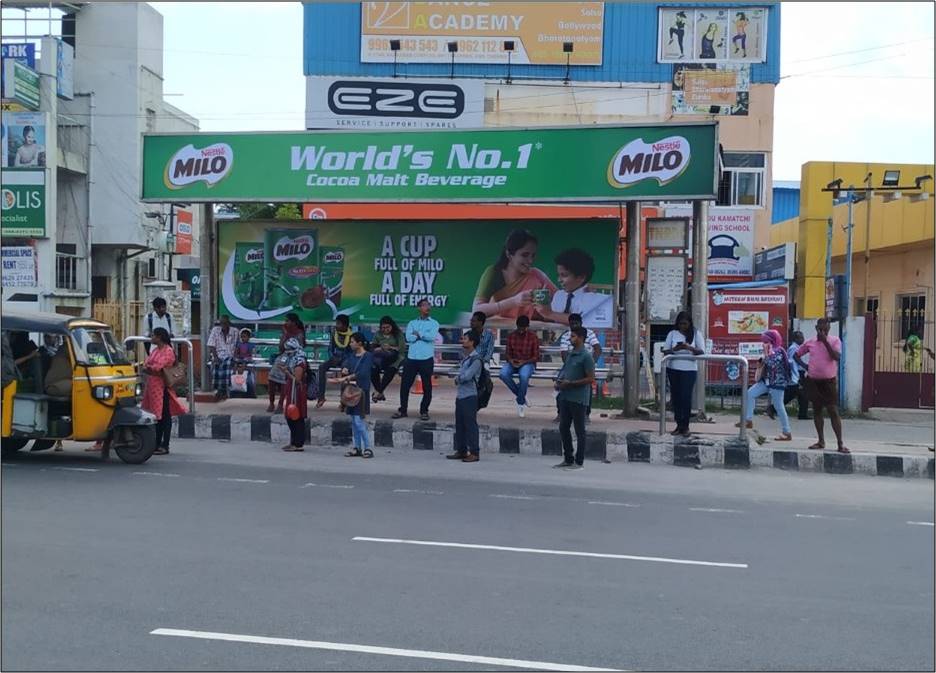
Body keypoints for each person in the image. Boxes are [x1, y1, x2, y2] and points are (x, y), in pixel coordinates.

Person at [473, 229, 557, 322]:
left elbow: (561, 300)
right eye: (525, 255)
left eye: (533, 255)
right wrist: (514, 301)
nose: (530, 261)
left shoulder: (536, 275)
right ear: (509, 254)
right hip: (498, 330)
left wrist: (547, 306)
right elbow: (476, 311)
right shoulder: (493, 272)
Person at [794, 318, 848, 453]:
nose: (823, 329)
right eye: (820, 327)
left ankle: (840, 443)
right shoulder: (810, 342)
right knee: (817, 411)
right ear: (816, 327)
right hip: (814, 381)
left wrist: (825, 341)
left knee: (833, 411)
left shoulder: (835, 341)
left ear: (829, 328)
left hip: (828, 382)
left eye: (825, 326)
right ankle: (821, 440)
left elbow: (836, 357)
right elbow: (796, 355)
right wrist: (806, 366)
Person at [141, 327, 187, 455]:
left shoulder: (168, 351)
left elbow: (157, 367)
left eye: (153, 335)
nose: (151, 338)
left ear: (159, 337)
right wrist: (148, 367)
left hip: (163, 387)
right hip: (153, 387)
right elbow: (148, 364)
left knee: (164, 417)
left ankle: (164, 445)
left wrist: (148, 367)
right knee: (157, 416)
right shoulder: (156, 350)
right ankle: (156, 444)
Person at [554, 327, 595, 470]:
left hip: (578, 398)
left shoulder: (586, 356)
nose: (571, 339)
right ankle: (568, 458)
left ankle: (579, 461)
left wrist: (571, 383)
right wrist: (560, 382)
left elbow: (590, 378)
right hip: (565, 396)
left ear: (581, 338)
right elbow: (566, 371)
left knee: (579, 430)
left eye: (573, 336)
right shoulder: (571, 354)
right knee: (564, 427)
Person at [740, 330, 793, 441]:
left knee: (779, 406)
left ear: (772, 341)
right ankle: (748, 420)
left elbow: (773, 364)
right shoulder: (770, 350)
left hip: (777, 383)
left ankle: (787, 432)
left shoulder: (777, 351)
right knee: (750, 393)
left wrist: (766, 355)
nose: (763, 343)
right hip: (767, 381)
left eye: (766, 341)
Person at [393, 299, 440, 421]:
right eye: (424, 305)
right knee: (405, 385)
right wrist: (423, 335)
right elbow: (409, 338)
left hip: (426, 358)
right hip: (412, 358)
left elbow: (432, 337)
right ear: (419, 308)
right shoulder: (412, 323)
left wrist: (419, 334)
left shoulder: (434, 323)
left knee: (427, 386)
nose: (427, 307)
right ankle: (403, 410)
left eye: (429, 305)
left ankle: (424, 411)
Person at [330, 333, 374, 458]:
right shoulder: (351, 356)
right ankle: (357, 447)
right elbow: (346, 365)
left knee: (359, 421)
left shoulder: (368, 356)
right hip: (351, 392)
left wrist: (346, 377)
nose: (351, 344)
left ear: (359, 343)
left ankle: (368, 447)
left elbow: (363, 373)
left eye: (353, 342)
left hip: (361, 391)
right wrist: (344, 369)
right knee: (354, 422)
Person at [543, 248, 613, 328]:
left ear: (581, 277)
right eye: (558, 275)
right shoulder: (559, 295)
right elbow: (549, 319)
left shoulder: (593, 298)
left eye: (564, 275)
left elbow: (581, 320)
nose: (559, 280)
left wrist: (549, 313)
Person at [662, 310, 706, 436]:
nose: (683, 327)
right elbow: (665, 351)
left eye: (685, 324)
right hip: (674, 368)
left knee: (686, 397)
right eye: (680, 324)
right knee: (676, 398)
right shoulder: (672, 334)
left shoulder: (696, 334)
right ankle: (678, 424)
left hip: (689, 369)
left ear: (689, 323)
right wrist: (676, 349)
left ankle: (685, 425)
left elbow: (702, 351)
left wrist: (689, 348)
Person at [554, 314, 601, 422]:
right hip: (570, 364)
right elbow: (564, 354)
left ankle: (586, 414)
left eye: (576, 323)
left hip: (586, 364)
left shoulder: (589, 333)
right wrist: (571, 366)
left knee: (587, 386)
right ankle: (561, 412)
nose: (574, 326)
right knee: (560, 383)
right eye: (572, 324)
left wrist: (591, 363)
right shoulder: (566, 336)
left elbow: (597, 349)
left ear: (581, 323)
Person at [447, 330, 483, 463]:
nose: (463, 341)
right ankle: (461, 450)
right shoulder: (466, 358)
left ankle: (474, 452)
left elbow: (467, 376)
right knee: (460, 424)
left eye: (465, 339)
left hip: (470, 396)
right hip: (461, 395)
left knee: (470, 424)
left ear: (472, 342)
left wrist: (458, 378)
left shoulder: (476, 359)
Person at [499, 315, 540, 417]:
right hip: (514, 362)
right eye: (519, 327)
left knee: (524, 376)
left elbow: (536, 356)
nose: (521, 330)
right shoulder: (511, 336)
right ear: (516, 326)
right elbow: (507, 354)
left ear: (527, 326)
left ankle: (520, 403)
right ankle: (521, 395)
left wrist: (524, 362)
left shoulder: (533, 337)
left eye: (523, 328)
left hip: (528, 363)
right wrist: (511, 360)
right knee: (503, 374)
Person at [267, 313, 306, 413]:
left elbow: (298, 347)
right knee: (271, 378)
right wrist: (284, 335)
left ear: (293, 322)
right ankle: (271, 403)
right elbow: (281, 348)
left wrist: (287, 335)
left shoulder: (299, 333)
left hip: (295, 357)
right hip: (284, 356)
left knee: (286, 379)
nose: (286, 323)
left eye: (287, 321)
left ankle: (280, 405)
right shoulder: (285, 332)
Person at [316, 314, 353, 408]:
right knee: (321, 367)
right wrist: (332, 357)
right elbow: (330, 349)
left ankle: (343, 401)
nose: (336, 325)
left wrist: (344, 360)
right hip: (335, 358)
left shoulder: (351, 335)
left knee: (345, 371)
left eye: (338, 324)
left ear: (345, 326)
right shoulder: (334, 333)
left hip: (346, 359)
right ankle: (321, 397)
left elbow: (351, 352)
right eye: (336, 323)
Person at [772, 330, 809, 421]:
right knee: (795, 394)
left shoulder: (797, 347)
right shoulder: (793, 348)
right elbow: (794, 360)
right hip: (796, 374)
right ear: (795, 339)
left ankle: (802, 414)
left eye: (802, 337)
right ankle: (773, 408)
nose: (803, 339)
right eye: (800, 337)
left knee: (801, 394)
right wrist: (804, 366)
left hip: (798, 373)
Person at [280, 337, 308, 452]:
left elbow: (297, 380)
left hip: (296, 390)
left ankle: (298, 443)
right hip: (291, 389)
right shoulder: (292, 359)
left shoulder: (299, 361)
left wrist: (286, 372)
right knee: (290, 415)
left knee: (296, 415)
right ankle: (294, 441)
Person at [370, 316, 405, 403]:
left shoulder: (398, 334)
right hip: (381, 357)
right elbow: (373, 347)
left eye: (387, 327)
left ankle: (378, 392)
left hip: (395, 357)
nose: (385, 329)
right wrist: (379, 348)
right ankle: (379, 392)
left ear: (392, 326)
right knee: (373, 368)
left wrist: (390, 347)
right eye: (383, 328)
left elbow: (401, 349)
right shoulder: (378, 334)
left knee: (391, 369)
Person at [207, 315, 238, 402]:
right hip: (218, 355)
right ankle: (220, 390)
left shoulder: (235, 331)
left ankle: (223, 390)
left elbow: (236, 346)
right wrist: (216, 357)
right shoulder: (215, 330)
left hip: (230, 355)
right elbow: (211, 345)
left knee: (227, 364)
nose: (223, 325)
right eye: (221, 323)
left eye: (225, 323)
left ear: (228, 323)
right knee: (217, 364)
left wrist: (235, 359)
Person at [231, 328, 256, 398]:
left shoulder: (250, 345)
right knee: (236, 362)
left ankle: (242, 370)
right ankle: (234, 372)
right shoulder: (239, 344)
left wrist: (250, 357)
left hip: (247, 359)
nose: (243, 338)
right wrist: (236, 357)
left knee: (244, 361)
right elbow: (236, 352)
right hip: (240, 358)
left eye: (244, 337)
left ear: (248, 337)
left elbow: (252, 353)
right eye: (242, 337)